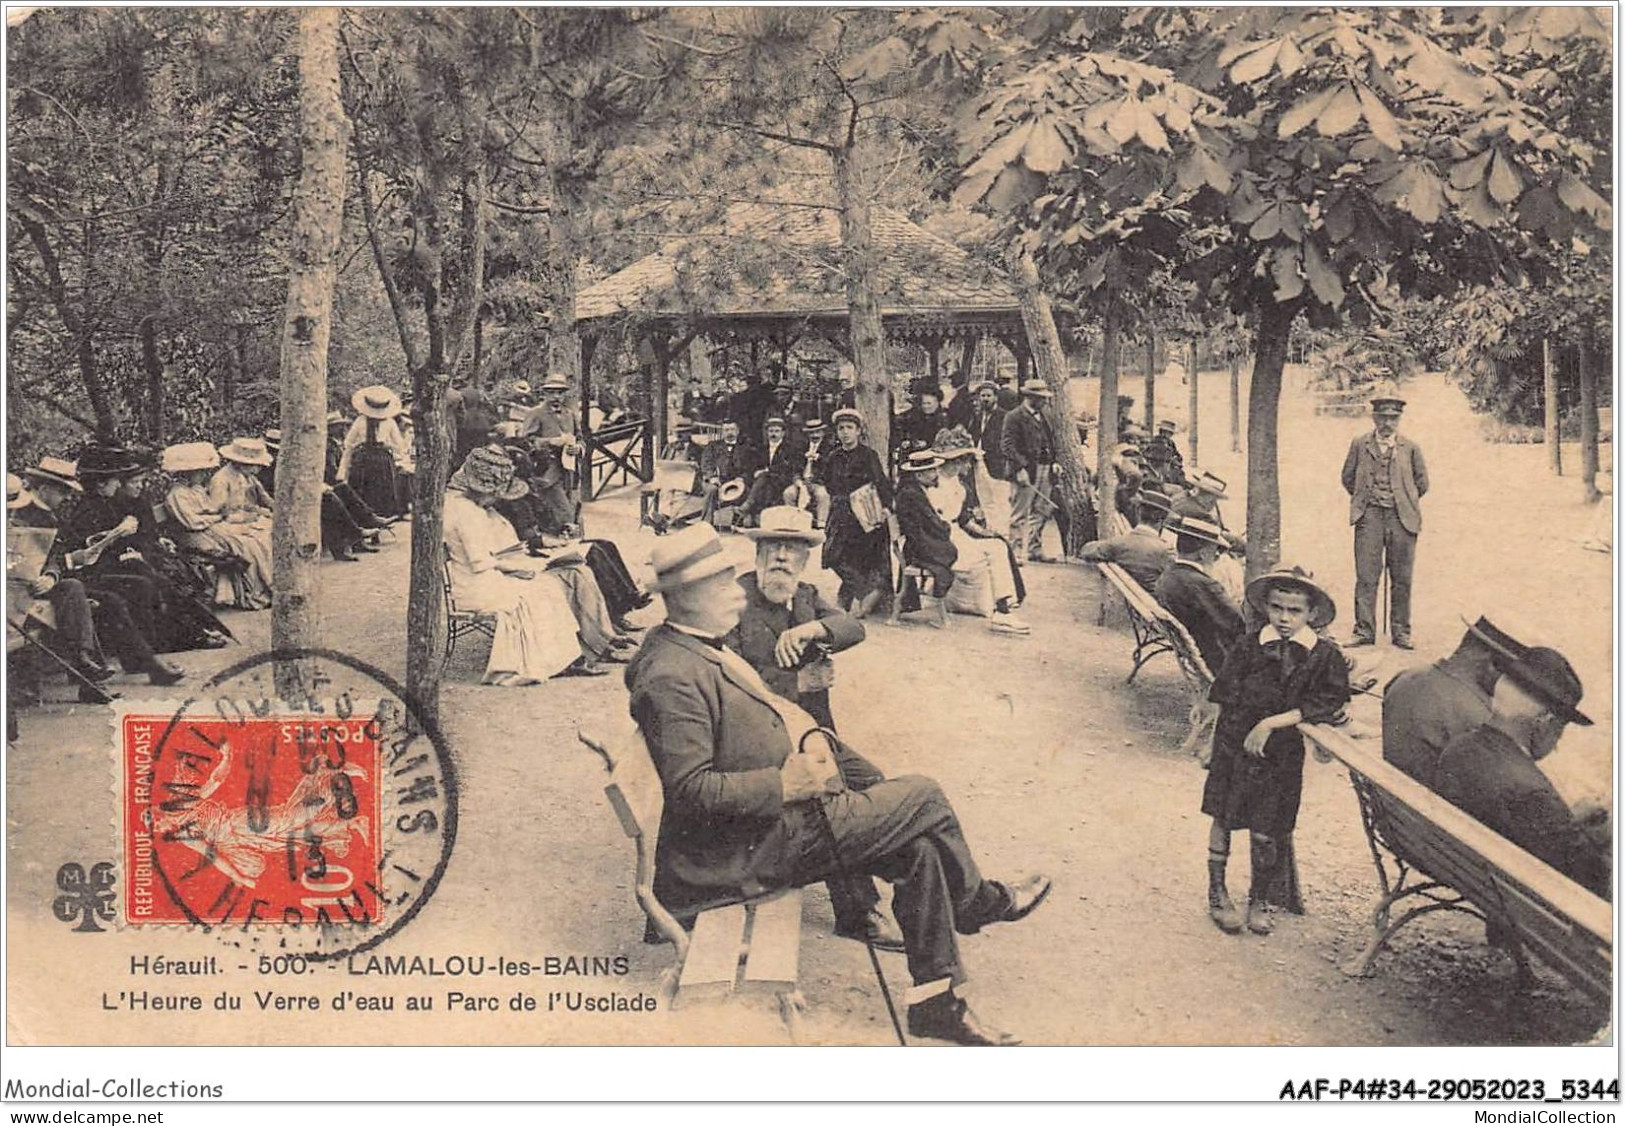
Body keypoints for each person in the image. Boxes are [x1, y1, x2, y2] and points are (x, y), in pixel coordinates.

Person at [626, 522, 1054, 1045]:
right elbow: (691, 792)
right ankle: (980, 904)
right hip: (736, 856)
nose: (737, 591)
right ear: (686, 596)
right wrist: (784, 785)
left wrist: (801, 734)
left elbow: (765, 706)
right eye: (722, 585)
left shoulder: (694, 645)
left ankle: (938, 1003)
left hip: (761, 832)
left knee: (919, 848)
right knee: (923, 793)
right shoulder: (672, 674)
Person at [722, 505, 905, 950]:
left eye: (793, 549)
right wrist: (796, 681)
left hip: (814, 736)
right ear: (758, 552)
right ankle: (857, 910)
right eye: (773, 547)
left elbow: (852, 626)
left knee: (874, 784)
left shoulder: (805, 597)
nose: (782, 558)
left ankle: (911, 887)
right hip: (761, 747)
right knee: (834, 796)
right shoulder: (733, 601)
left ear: (806, 559)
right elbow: (725, 689)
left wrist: (812, 631)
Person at [1203, 567, 1352, 935]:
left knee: (1267, 827)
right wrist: (1210, 739)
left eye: (1295, 611)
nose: (1284, 619)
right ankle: (1217, 893)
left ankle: (1259, 896)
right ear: (1266, 608)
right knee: (1223, 815)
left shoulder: (1322, 654)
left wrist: (1273, 722)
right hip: (1234, 743)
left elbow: (1329, 700)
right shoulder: (1249, 644)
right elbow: (1223, 692)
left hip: (1281, 751)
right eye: (1277, 608)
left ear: (1311, 614)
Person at [1433, 647, 1609, 899]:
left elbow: (1524, 825)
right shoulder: (1531, 791)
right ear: (1544, 722)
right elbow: (1593, 879)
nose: (1558, 740)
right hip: (1536, 905)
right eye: (1561, 727)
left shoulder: (1460, 747)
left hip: (1484, 879)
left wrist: (1569, 822)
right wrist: (1604, 836)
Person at [442, 446, 620, 684]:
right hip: (476, 584)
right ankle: (564, 659)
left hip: (477, 577)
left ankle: (568, 657)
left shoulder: (460, 504)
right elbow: (479, 561)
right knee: (542, 590)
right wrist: (516, 568)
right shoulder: (466, 513)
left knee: (545, 586)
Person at [15, 457, 185, 686]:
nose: (67, 498)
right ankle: (142, 664)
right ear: (44, 489)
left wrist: (85, 549)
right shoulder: (25, 515)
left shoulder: (47, 512)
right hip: (39, 584)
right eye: (63, 492)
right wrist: (64, 564)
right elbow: (28, 558)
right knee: (112, 600)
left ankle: (140, 662)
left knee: (131, 587)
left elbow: (60, 549)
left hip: (64, 577)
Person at [67, 445, 230, 651]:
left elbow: (133, 538)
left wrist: (132, 549)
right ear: (101, 484)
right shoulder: (89, 510)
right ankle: (176, 638)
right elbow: (90, 552)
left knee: (163, 576)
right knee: (152, 580)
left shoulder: (107, 502)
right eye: (116, 480)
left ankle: (191, 631)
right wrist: (125, 548)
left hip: (122, 562)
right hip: (100, 572)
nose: (118, 484)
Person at [1382, 616, 1527, 786]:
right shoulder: (1480, 720)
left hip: (1392, 801)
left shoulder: (1406, 676)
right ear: (1492, 665)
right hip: (1431, 809)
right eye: (1511, 677)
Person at [1341, 385, 1428, 650]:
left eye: (1392, 418)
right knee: (1366, 575)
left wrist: (1402, 500)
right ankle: (1364, 630)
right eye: (1382, 417)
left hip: (1402, 519)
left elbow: (1422, 482)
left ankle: (1401, 631)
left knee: (1401, 577)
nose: (1387, 423)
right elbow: (1347, 477)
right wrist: (1366, 502)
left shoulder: (1410, 448)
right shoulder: (1360, 444)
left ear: (1399, 419)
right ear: (1374, 418)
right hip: (1369, 517)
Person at [926, 431, 1029, 633]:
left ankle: (1003, 609)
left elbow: (963, 517)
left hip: (956, 534)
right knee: (983, 556)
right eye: (964, 462)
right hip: (939, 539)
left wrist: (984, 532)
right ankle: (1001, 610)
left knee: (998, 546)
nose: (967, 467)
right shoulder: (932, 483)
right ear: (953, 461)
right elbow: (932, 519)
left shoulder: (958, 484)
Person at [161, 442, 274, 610]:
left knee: (253, 542)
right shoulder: (177, 494)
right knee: (245, 545)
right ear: (188, 472)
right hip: (194, 535)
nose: (204, 475)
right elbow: (193, 522)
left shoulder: (195, 490)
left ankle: (264, 587)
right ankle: (252, 594)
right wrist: (217, 517)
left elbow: (211, 509)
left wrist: (218, 516)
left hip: (210, 529)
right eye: (200, 472)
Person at [264, 429, 378, 563]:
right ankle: (351, 538)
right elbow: (280, 490)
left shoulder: (281, 463)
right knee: (327, 501)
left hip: (295, 494)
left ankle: (363, 528)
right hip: (285, 500)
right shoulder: (268, 467)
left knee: (341, 490)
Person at [819, 409, 892, 618]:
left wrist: (886, 507)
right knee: (832, 556)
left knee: (855, 558)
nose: (845, 433)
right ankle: (865, 593)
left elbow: (880, 483)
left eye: (850, 428)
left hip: (863, 514)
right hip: (840, 512)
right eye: (841, 428)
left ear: (858, 431)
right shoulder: (833, 456)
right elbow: (828, 483)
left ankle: (845, 601)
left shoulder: (868, 455)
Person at [1154, 515, 1245, 675]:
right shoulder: (1203, 584)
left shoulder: (1169, 574)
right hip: (1220, 658)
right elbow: (1238, 623)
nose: (1216, 556)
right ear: (1202, 553)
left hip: (1202, 648)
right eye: (1214, 550)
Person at [893, 451, 957, 629]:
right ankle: (940, 606)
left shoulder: (915, 491)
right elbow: (930, 522)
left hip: (918, 541)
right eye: (931, 471)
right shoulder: (911, 494)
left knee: (949, 549)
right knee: (949, 551)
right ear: (919, 474)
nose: (936, 474)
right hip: (917, 546)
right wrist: (945, 528)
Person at [1001, 380, 1059, 564]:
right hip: (1026, 470)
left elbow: (1052, 441)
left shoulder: (1046, 415)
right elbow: (1007, 446)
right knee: (1020, 513)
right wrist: (1020, 468)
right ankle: (1015, 552)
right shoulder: (1014, 416)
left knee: (1041, 510)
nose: (1043, 401)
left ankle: (1035, 549)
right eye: (1040, 398)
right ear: (1029, 397)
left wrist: (1054, 462)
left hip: (1046, 468)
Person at [520, 374, 584, 531]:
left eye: (560, 392)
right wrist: (550, 442)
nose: (556, 396)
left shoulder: (570, 414)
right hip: (547, 470)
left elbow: (580, 439)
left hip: (569, 472)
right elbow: (525, 442)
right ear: (544, 393)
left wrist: (579, 448)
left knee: (570, 508)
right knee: (563, 512)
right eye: (552, 392)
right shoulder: (536, 413)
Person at [1079, 487, 1175, 591]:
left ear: (1139, 512)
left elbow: (1086, 550)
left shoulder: (1119, 543)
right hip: (1151, 602)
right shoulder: (1166, 551)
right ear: (1163, 520)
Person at [339, 385, 412, 518]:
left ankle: (369, 518)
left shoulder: (360, 421)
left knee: (366, 490)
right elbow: (399, 445)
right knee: (377, 490)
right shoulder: (388, 422)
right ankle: (377, 518)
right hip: (380, 459)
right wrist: (390, 448)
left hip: (364, 459)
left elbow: (348, 443)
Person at [740, 416, 803, 524]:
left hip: (783, 479)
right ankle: (758, 516)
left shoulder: (790, 448)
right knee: (763, 482)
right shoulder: (761, 448)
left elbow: (788, 467)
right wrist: (756, 472)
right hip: (765, 482)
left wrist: (766, 471)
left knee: (764, 478)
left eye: (777, 431)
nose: (773, 434)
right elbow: (754, 466)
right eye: (771, 431)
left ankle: (748, 506)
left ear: (783, 433)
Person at [697, 420, 756, 525]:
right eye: (726, 430)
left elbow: (750, 467)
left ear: (737, 431)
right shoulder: (712, 446)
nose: (729, 432)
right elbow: (706, 464)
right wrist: (712, 477)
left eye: (732, 429)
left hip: (736, 481)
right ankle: (706, 523)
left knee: (745, 490)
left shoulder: (746, 448)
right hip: (717, 480)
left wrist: (742, 478)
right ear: (722, 432)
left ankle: (737, 522)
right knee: (711, 490)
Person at [961, 381, 1008, 481]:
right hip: (978, 463)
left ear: (996, 397)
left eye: (989, 395)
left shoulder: (1004, 416)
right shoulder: (977, 416)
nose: (985, 399)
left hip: (996, 464)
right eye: (983, 396)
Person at [1142, 420, 1187, 488]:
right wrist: (1172, 460)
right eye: (1166, 432)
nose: (1168, 435)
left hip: (1169, 466)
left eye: (1170, 433)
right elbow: (1153, 455)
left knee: (1179, 474)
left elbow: (1177, 455)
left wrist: (1176, 460)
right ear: (1162, 432)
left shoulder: (1170, 442)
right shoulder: (1156, 441)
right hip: (1157, 466)